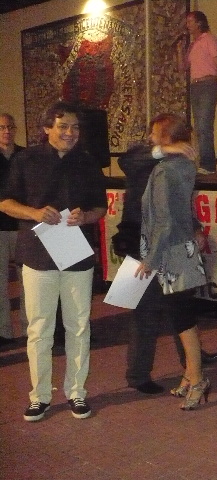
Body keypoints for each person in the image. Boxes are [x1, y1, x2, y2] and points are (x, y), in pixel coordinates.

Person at [0, 101, 107, 422]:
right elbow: (5, 202)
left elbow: (100, 208)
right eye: (63, 126)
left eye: (75, 127)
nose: (70, 133)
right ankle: (40, 396)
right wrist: (33, 212)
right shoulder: (25, 160)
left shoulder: (88, 162)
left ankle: (77, 392)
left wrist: (85, 216)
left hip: (76, 253)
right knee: (39, 329)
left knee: (79, 326)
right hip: (37, 254)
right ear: (47, 128)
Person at [115, 138, 217, 395]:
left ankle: (192, 363)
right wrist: (163, 149)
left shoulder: (175, 165)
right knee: (144, 310)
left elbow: (178, 205)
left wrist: (195, 228)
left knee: (179, 303)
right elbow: (126, 160)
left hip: (167, 244)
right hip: (138, 242)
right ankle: (139, 374)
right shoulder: (140, 158)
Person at [133, 113, 210, 410]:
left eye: (155, 134)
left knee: (182, 317)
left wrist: (150, 259)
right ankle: (190, 374)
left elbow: (164, 221)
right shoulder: (183, 164)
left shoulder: (166, 170)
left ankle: (198, 378)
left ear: (167, 137)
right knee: (181, 314)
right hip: (180, 246)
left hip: (172, 250)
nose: (150, 138)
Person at [176, 10, 217, 174]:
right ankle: (202, 163)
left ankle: (208, 165)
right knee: (198, 128)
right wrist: (179, 50)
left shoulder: (209, 39)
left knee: (205, 126)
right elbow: (182, 68)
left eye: (190, 22)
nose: (187, 25)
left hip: (208, 84)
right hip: (195, 86)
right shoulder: (193, 45)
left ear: (199, 23)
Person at [0, 113, 27, 346]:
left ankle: (30, 329)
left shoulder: (25, 156)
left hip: (22, 226)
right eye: (2, 128)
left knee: (28, 281)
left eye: (10, 127)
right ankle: (4, 331)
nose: (6, 131)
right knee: (0, 284)